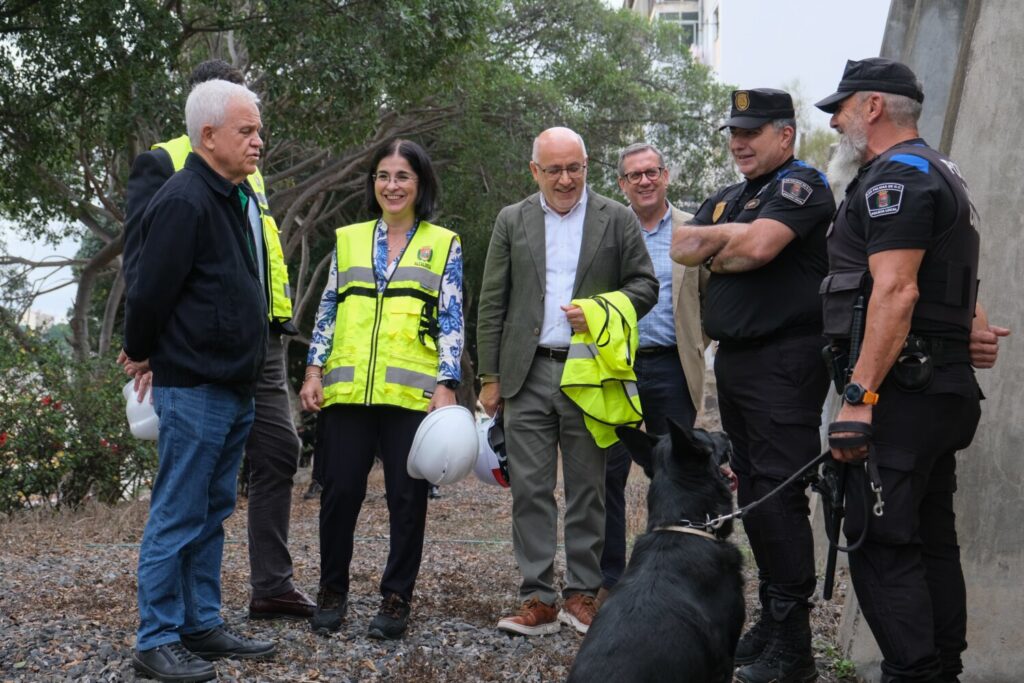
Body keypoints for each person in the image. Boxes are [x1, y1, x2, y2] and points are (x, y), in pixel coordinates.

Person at [815, 56, 990, 683]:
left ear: (872, 108)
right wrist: (969, 327)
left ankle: (913, 674)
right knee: (930, 538)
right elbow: (949, 276)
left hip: (902, 396)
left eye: (841, 108)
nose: (835, 121)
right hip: (937, 387)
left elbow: (896, 292)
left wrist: (859, 396)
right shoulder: (942, 172)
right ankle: (941, 670)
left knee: (884, 545)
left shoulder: (897, 179)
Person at [120, 59, 312, 622]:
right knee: (180, 510)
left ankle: (204, 622)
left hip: (243, 365)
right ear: (209, 130)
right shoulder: (180, 186)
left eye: (257, 128)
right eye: (247, 129)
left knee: (211, 507)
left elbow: (245, 270)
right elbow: (148, 280)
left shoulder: (236, 186)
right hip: (196, 373)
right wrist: (144, 349)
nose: (259, 141)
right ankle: (158, 636)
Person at [672, 89, 834, 682]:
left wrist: (731, 245)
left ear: (785, 136)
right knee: (755, 497)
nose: (738, 142)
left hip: (784, 364)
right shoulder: (736, 195)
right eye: (733, 132)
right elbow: (683, 245)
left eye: (752, 132)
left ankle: (795, 648)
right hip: (739, 363)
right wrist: (728, 248)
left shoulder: (802, 186)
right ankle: (772, 620)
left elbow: (761, 246)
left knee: (778, 498)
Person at [477, 127, 658, 636]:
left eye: (573, 168)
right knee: (530, 489)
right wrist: (490, 377)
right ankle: (537, 598)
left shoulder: (616, 218)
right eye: (553, 169)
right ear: (534, 170)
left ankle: (582, 594)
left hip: (589, 373)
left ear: (587, 166)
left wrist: (602, 310)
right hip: (526, 372)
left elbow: (645, 286)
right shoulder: (511, 220)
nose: (565, 179)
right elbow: (492, 301)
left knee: (589, 489)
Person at [299, 138, 463, 640]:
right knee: (340, 493)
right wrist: (313, 370)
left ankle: (396, 598)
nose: (392, 185)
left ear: (420, 184)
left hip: (412, 395)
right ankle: (332, 592)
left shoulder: (445, 242)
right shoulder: (347, 239)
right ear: (373, 184)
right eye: (383, 176)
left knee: (406, 499)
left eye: (403, 177)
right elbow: (327, 308)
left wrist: (446, 383)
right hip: (348, 392)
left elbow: (452, 317)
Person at [596, 142, 707, 604]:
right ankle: (608, 581)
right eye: (633, 175)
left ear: (665, 176)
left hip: (672, 365)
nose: (644, 180)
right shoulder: (605, 230)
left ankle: (670, 575)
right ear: (622, 184)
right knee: (607, 472)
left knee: (675, 472)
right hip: (614, 366)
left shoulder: (694, 229)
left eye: (651, 172)